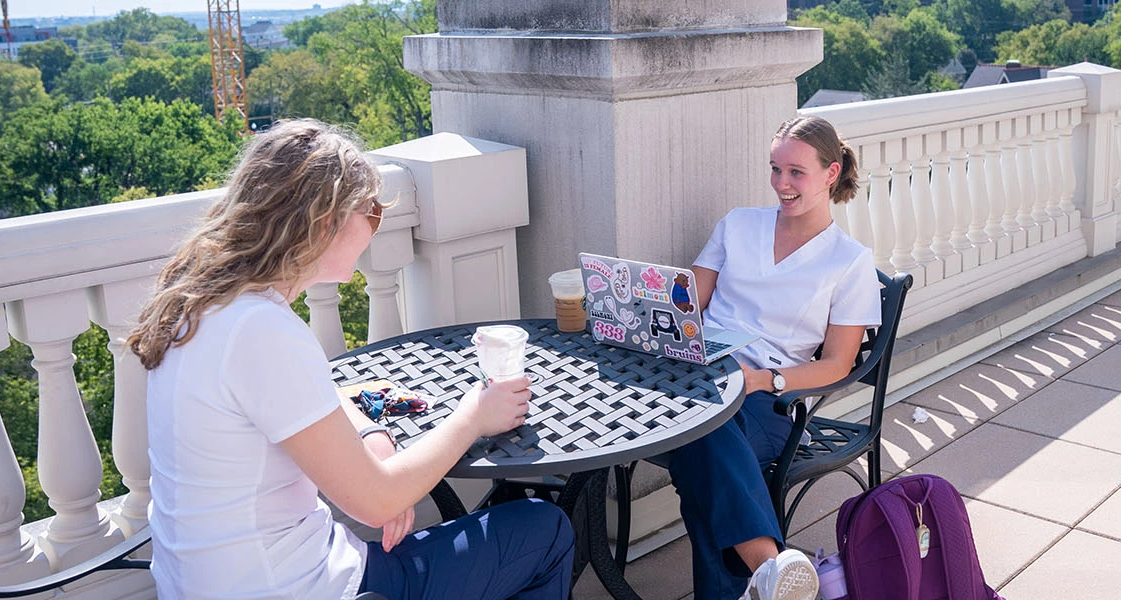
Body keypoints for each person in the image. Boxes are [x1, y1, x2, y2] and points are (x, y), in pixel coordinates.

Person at [126, 119, 574, 600]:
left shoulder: (203, 305)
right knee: (543, 527)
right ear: (326, 222)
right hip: (302, 588)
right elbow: (377, 503)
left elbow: (316, 411)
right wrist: (473, 416)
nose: (376, 227)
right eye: (372, 212)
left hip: (205, 585)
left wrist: (372, 436)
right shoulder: (261, 332)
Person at [673, 115, 882, 600]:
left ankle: (766, 573)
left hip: (771, 404)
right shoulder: (738, 225)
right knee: (702, 435)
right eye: (774, 169)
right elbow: (686, 309)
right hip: (703, 377)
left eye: (796, 172)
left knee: (698, 438)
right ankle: (771, 573)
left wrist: (763, 380)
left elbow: (837, 365)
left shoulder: (848, 262)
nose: (781, 184)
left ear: (831, 173)